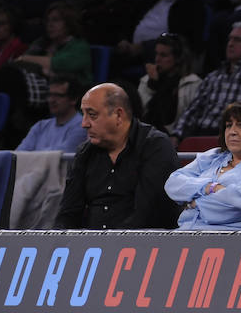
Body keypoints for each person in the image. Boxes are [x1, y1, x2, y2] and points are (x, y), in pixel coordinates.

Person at [55, 83, 180, 229]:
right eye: (83, 114)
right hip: (94, 246)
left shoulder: (155, 147)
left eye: (92, 115)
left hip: (144, 244)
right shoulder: (85, 153)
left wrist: (110, 244)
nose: (84, 124)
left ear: (118, 115)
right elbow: (68, 214)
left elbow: (147, 213)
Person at [165, 99, 241, 230]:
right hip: (184, 235)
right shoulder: (212, 156)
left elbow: (240, 204)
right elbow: (173, 184)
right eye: (229, 125)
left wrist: (193, 203)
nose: (232, 131)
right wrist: (210, 188)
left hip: (237, 243)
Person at [170, 22, 241, 143]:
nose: (230, 44)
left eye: (238, 40)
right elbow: (193, 110)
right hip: (202, 134)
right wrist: (176, 135)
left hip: (237, 137)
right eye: (230, 39)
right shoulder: (213, 76)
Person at [117, 0, 206, 72]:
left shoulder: (192, 4)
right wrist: (124, 39)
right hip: (132, 51)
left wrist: (145, 47)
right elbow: (130, 21)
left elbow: (184, 40)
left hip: (163, 56)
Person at [137, 32, 201, 134]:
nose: (157, 59)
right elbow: (139, 113)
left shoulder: (192, 83)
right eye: (156, 54)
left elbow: (173, 119)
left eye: (163, 55)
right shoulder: (147, 80)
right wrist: (151, 86)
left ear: (178, 58)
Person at [17, 75, 87, 152]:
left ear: (74, 99)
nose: (51, 100)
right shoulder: (40, 126)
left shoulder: (83, 126)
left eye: (58, 95)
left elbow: (61, 156)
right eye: (50, 95)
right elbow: (18, 153)